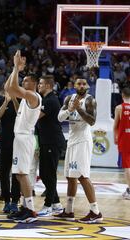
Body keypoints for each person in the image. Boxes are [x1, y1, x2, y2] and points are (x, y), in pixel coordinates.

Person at [55, 78, 103, 223]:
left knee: (82, 176)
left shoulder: (90, 100)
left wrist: (78, 109)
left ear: (87, 86)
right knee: (71, 176)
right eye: (78, 83)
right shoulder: (69, 98)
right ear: (74, 86)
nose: (81, 86)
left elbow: (92, 121)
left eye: (84, 83)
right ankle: (69, 211)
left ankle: (96, 212)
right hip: (72, 140)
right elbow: (59, 118)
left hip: (83, 140)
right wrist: (70, 109)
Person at [5, 50, 41, 223]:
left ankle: (31, 210)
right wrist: (15, 70)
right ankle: (26, 207)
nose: (23, 81)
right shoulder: (26, 98)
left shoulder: (33, 96)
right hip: (19, 137)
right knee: (19, 174)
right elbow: (8, 88)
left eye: (26, 80)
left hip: (25, 138)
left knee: (23, 173)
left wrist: (16, 68)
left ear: (33, 83)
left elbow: (13, 88)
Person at [36, 75, 65, 216]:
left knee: (49, 174)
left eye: (40, 83)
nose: (38, 86)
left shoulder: (50, 100)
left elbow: (35, 117)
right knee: (44, 173)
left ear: (48, 86)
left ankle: (48, 205)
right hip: (46, 141)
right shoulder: (46, 99)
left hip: (53, 142)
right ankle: (57, 204)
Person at [0, 87, 21, 214]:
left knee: (16, 173)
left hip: (18, 141)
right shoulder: (0, 101)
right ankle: (6, 201)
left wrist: (14, 100)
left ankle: (15, 201)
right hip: (4, 141)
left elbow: (21, 115)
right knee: (3, 172)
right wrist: (5, 102)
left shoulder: (21, 101)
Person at [113, 87, 130, 200]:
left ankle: (129, 190)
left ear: (122, 95)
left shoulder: (119, 108)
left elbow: (115, 126)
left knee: (127, 166)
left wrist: (115, 137)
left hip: (125, 139)